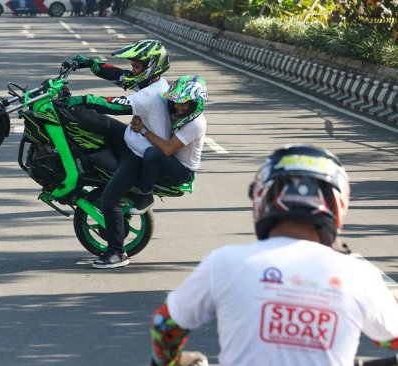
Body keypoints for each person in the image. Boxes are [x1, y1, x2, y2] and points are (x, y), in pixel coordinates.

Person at [149, 144, 398, 366]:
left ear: (262, 197)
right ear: (338, 203)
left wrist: (171, 361)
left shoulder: (225, 263)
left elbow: (165, 325)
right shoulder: (359, 275)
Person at [67, 39, 171, 268]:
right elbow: (119, 76)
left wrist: (83, 99)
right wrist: (91, 64)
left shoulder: (153, 93)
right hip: (131, 137)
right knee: (90, 121)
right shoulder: (147, 82)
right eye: (133, 64)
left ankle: (117, 252)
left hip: (138, 154)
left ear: (152, 65)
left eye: (137, 65)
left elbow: (116, 104)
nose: (133, 68)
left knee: (110, 198)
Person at [129, 75, 207, 215]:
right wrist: (138, 117)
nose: (178, 107)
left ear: (196, 103)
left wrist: (143, 130)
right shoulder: (176, 112)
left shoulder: (196, 123)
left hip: (182, 170)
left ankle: (146, 195)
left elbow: (167, 149)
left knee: (152, 153)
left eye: (185, 103)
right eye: (176, 102)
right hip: (172, 160)